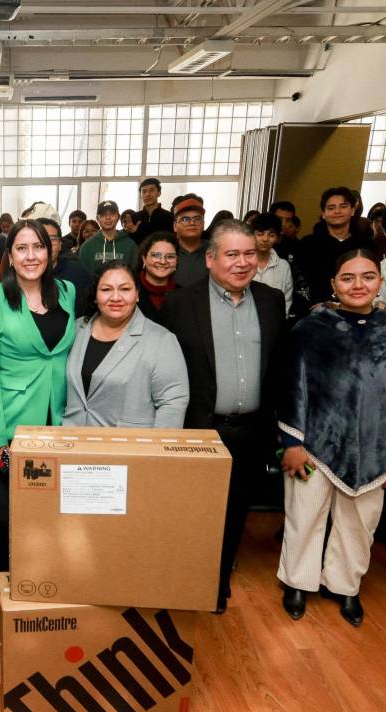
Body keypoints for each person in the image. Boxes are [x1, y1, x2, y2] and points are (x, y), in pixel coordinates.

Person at [277, 249, 386, 626]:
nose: (358, 285)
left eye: (367, 277)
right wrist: (292, 443)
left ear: (380, 281)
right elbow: (291, 388)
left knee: (360, 521)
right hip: (313, 446)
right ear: (333, 284)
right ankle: (297, 581)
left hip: (376, 449)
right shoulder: (310, 329)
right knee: (304, 513)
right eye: (348, 278)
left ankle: (344, 586)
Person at [161, 220, 286, 614]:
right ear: (211, 259)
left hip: (251, 431)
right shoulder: (181, 304)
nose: (242, 262)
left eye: (249, 254)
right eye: (232, 254)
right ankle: (182, 582)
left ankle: (216, 585)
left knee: (235, 512)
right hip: (200, 431)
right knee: (191, 514)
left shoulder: (270, 301)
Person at [0, 220, 76, 576]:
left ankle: (47, 582)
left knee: (50, 513)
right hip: (11, 422)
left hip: (59, 420)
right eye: (22, 248)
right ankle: (8, 594)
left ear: (50, 252)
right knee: (5, 519)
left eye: (38, 247)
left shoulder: (67, 292)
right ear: (10, 256)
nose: (31, 256)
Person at [64, 260, 188, 428]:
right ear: (95, 296)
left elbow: (172, 404)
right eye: (106, 289)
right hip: (73, 442)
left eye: (125, 289)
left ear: (137, 294)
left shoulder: (161, 340)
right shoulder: (77, 329)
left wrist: (157, 450)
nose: (116, 297)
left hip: (129, 447)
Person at [295, 187, 375, 313]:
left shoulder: (366, 244)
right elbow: (300, 279)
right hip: (316, 311)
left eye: (343, 206)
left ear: (353, 210)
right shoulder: (308, 244)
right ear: (323, 213)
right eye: (331, 208)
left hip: (357, 309)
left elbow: (371, 278)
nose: (337, 211)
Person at [38, 217, 92, 318]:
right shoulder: (20, 276)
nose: (47, 244)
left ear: (60, 245)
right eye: (40, 238)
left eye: (52, 239)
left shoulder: (77, 274)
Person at [250, 213, 293, 316]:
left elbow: (286, 301)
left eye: (271, 235)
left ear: (278, 238)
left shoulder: (283, 266)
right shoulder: (242, 263)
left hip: (273, 325)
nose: (265, 239)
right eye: (260, 234)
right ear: (251, 235)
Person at [78, 200, 137, 274]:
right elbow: (82, 277)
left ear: (118, 217)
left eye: (112, 214)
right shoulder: (86, 247)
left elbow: (134, 276)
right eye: (103, 215)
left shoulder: (130, 246)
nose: (108, 217)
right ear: (97, 218)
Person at [136, 231, 178, 323]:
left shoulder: (184, 296)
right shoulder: (128, 290)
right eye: (156, 255)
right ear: (144, 259)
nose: (163, 261)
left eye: (170, 256)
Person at [171, 195, 208, 287]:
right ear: (175, 226)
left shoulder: (216, 251)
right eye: (185, 219)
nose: (192, 223)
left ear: (203, 224)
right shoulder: (166, 252)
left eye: (197, 219)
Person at [134, 177, 175, 242]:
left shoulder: (170, 217)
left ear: (159, 193)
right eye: (144, 191)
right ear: (141, 195)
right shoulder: (135, 217)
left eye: (151, 190)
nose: (147, 194)